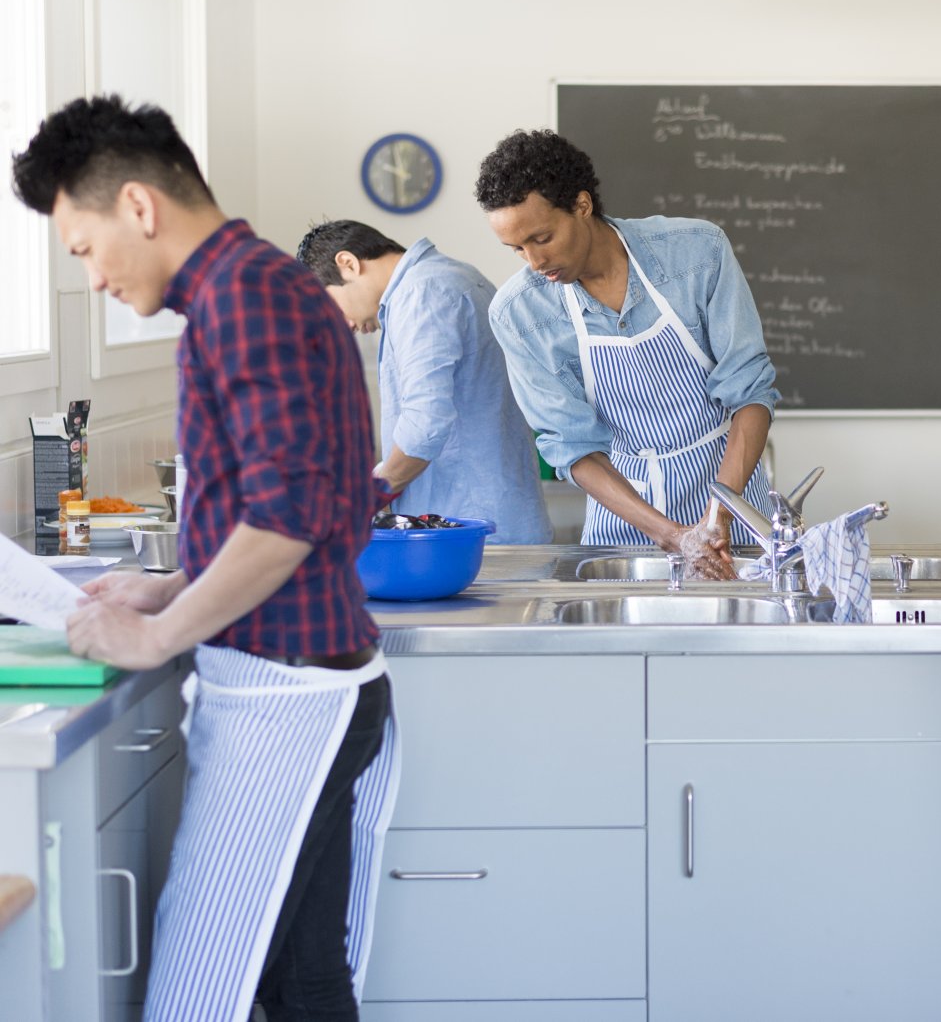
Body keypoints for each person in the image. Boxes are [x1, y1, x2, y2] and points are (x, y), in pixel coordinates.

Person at [12, 95, 397, 1021]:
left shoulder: (242, 299)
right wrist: (172, 584)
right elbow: (313, 494)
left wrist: (155, 639)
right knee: (301, 981)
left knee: (200, 995)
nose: (91, 278)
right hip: (313, 678)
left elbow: (292, 514)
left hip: (288, 694)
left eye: (82, 247)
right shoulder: (260, 288)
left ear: (138, 207)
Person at [475, 129, 779, 578]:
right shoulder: (519, 314)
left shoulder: (695, 254)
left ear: (582, 205)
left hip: (732, 497)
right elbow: (571, 446)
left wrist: (719, 514)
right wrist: (672, 536)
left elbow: (749, 393)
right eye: (517, 248)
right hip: (624, 514)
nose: (534, 263)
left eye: (542, 238)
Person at [296, 219, 553, 544]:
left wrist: (363, 498)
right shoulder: (446, 278)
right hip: (482, 529)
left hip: (474, 539)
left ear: (348, 264)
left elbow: (424, 427)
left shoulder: (421, 294)